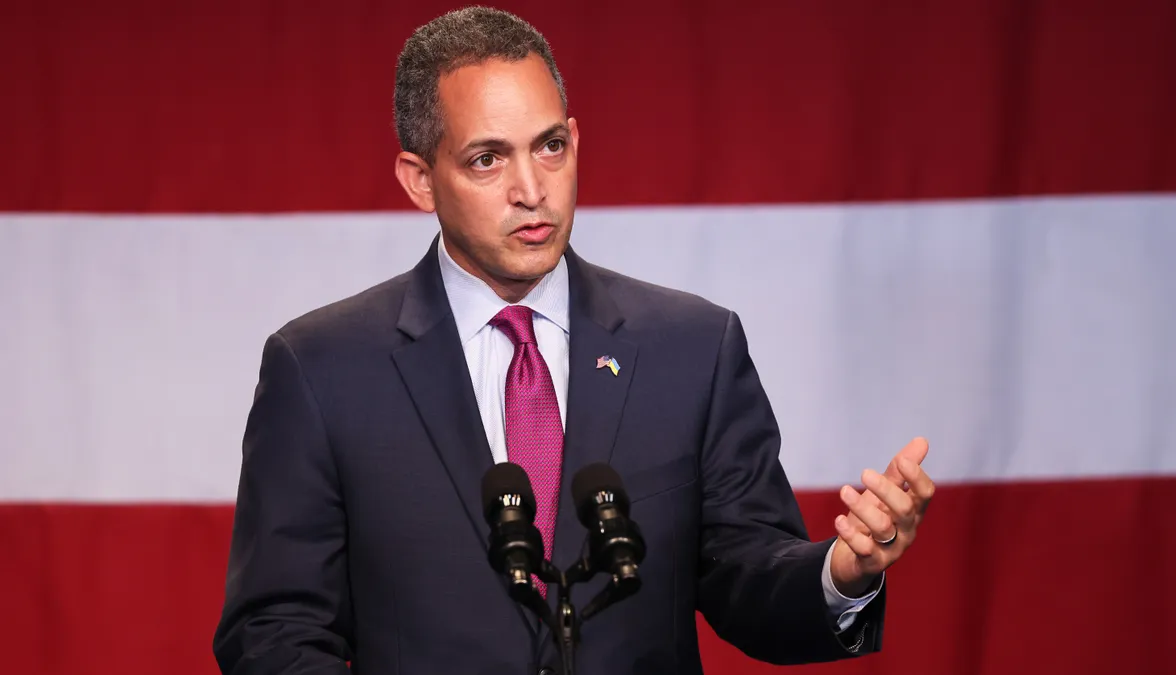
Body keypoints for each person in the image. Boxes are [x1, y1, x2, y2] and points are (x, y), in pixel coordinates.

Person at [212, 6, 935, 674]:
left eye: (550, 146)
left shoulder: (692, 349)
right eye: (488, 159)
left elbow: (747, 575)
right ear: (420, 179)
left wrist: (842, 571)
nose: (533, 188)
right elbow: (273, 631)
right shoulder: (323, 370)